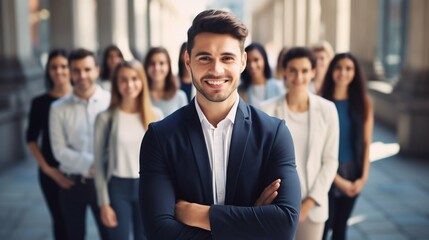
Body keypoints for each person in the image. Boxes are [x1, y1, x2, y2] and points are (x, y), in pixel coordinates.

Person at [139, 9, 301, 240]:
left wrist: (199, 214)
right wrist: (252, 222)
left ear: (243, 61)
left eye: (227, 58)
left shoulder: (273, 133)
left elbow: (284, 225)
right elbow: (159, 232)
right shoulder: (160, 137)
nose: (216, 69)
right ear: (187, 61)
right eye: (204, 57)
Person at [260, 47, 339, 240]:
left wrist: (309, 203)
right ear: (284, 71)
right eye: (293, 70)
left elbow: (330, 161)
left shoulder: (327, 110)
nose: (298, 76)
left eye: (304, 70)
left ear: (313, 72)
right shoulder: (265, 109)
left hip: (312, 209)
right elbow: (261, 161)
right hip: (275, 207)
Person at [94, 60, 163, 240]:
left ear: (142, 81)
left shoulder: (156, 116)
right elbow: (99, 164)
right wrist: (103, 204)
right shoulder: (105, 118)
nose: (129, 85)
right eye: (123, 80)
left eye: (134, 78)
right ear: (116, 84)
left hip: (146, 188)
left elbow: (164, 164)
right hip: (118, 188)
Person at [49, 48, 110, 240]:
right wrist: (92, 164)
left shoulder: (111, 101)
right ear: (70, 73)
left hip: (107, 185)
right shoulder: (58, 108)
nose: (82, 75)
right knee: (73, 236)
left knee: (111, 236)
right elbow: (59, 150)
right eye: (76, 70)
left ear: (97, 70)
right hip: (72, 184)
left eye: (87, 69)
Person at [321, 53, 373, 240]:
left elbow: (367, 143)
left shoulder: (363, 103)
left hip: (353, 172)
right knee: (324, 227)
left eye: (349, 68)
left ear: (355, 73)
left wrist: (363, 178)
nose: (343, 72)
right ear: (332, 71)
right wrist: (337, 180)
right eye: (338, 67)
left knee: (341, 228)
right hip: (326, 172)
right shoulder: (322, 102)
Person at [26, 49, 73, 240]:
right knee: (60, 222)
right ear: (48, 71)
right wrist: (48, 170)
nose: (59, 71)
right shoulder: (40, 103)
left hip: (80, 171)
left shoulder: (79, 100)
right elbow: (31, 138)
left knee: (77, 224)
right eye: (54, 67)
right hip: (50, 172)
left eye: (63, 66)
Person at [143, 46, 188, 116]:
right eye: (152, 63)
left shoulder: (180, 97)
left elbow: (185, 125)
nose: (156, 68)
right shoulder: (141, 96)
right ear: (146, 66)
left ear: (168, 66)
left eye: (161, 63)